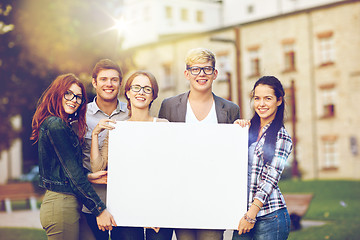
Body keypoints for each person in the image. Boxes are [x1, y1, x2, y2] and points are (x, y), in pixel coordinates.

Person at [158, 48, 240, 240]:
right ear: (187, 74)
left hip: (214, 196)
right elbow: (162, 151)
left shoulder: (230, 109)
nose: (201, 74)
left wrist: (240, 128)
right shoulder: (169, 106)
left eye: (207, 69)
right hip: (181, 195)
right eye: (195, 69)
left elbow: (233, 155)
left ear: (215, 74)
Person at [30, 73, 115, 240]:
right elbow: (73, 174)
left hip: (71, 203)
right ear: (58, 93)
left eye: (78, 97)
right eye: (68, 93)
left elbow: (66, 169)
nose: (73, 100)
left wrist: (89, 176)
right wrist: (100, 210)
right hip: (60, 204)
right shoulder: (55, 125)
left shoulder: (63, 125)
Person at [90, 70, 168, 240]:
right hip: (125, 211)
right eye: (137, 87)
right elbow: (98, 167)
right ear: (127, 92)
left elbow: (169, 170)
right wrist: (96, 134)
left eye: (147, 89)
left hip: (158, 211)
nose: (141, 92)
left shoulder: (163, 126)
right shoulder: (118, 129)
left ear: (153, 95)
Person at [232, 76, 292, 240]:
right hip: (243, 213)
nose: (261, 104)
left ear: (279, 101)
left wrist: (251, 215)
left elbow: (270, 179)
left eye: (268, 98)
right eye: (257, 98)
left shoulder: (282, 137)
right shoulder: (246, 130)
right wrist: (236, 131)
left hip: (270, 216)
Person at [80, 59, 132, 240]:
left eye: (114, 79)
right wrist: (86, 176)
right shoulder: (81, 116)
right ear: (94, 82)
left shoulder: (132, 113)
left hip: (127, 202)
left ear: (120, 83)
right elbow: (70, 160)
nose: (109, 84)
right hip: (91, 204)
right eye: (103, 79)